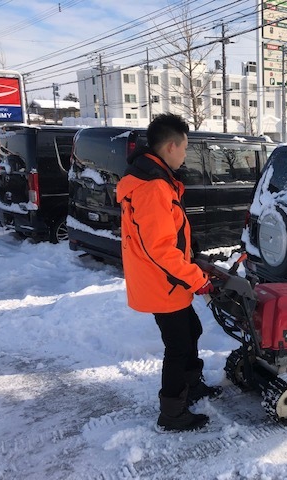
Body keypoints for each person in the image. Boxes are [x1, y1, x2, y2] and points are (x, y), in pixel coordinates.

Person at [116, 113, 222, 432]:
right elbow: (160, 248)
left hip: (165, 280)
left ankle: (192, 386)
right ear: (172, 146)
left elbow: (169, 233)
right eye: (185, 148)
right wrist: (196, 279)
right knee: (178, 346)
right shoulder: (153, 187)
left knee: (191, 331)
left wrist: (194, 256)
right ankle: (172, 412)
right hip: (163, 283)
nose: (185, 155)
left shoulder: (154, 178)